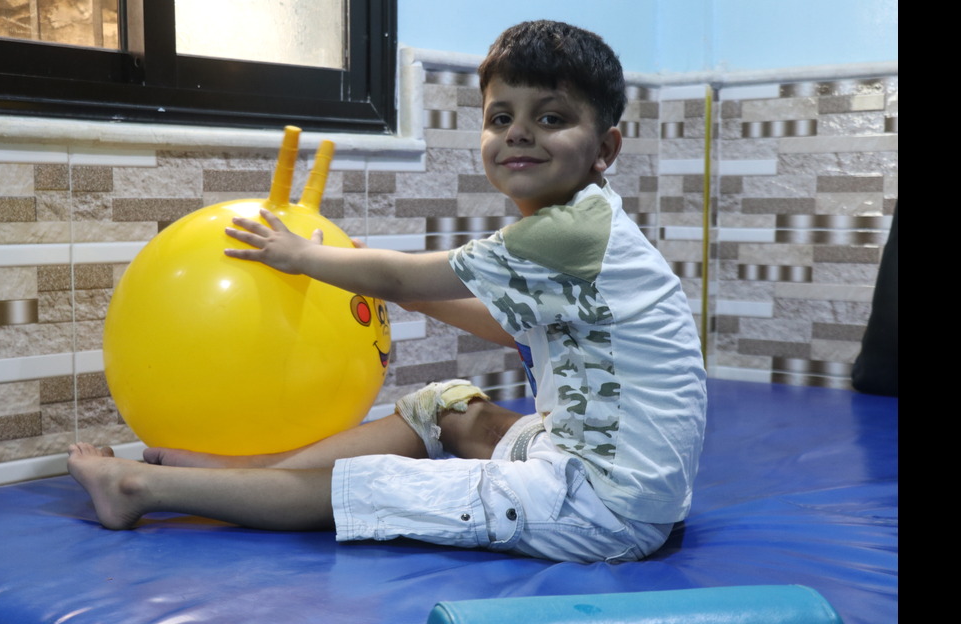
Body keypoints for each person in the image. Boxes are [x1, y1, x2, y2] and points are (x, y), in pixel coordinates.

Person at [67, 20, 707, 564]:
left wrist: (299, 255)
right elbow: (507, 326)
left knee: (368, 484)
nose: (518, 133)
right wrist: (409, 299)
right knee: (445, 403)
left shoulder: (569, 233)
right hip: (605, 473)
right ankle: (258, 472)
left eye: (552, 118)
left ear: (606, 148)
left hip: (601, 511)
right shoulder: (586, 225)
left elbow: (402, 274)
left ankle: (137, 488)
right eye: (501, 117)